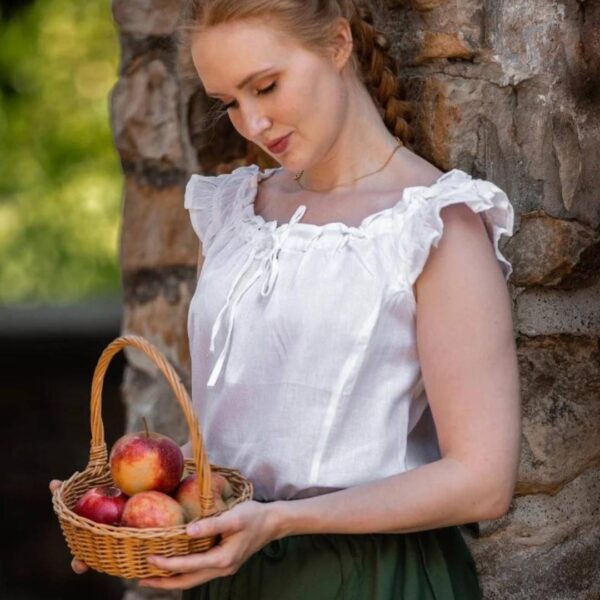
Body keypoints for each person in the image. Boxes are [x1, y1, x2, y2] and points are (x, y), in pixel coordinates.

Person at [51, 0, 522, 597]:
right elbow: (243, 429)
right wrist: (126, 506)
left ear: (337, 43)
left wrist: (279, 521)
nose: (251, 124)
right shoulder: (231, 215)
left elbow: (481, 480)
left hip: (369, 578)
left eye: (266, 87)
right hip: (231, 572)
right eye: (229, 103)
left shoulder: (433, 224)